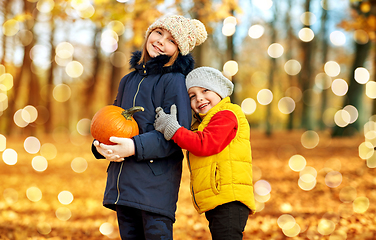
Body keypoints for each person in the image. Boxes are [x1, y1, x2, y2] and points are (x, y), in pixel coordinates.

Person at [91, 15, 207, 240]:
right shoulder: (127, 80)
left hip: (155, 188)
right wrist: (100, 146)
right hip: (124, 186)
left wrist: (133, 146)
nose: (161, 41)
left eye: (172, 40)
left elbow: (176, 135)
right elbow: (112, 122)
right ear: (149, 34)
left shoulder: (174, 81)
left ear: (178, 51)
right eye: (159, 33)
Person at [154, 67, 256, 240]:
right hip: (218, 199)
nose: (199, 98)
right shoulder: (204, 123)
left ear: (219, 91)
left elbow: (204, 144)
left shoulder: (227, 114)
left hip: (229, 199)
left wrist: (173, 129)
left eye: (205, 90)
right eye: (192, 96)